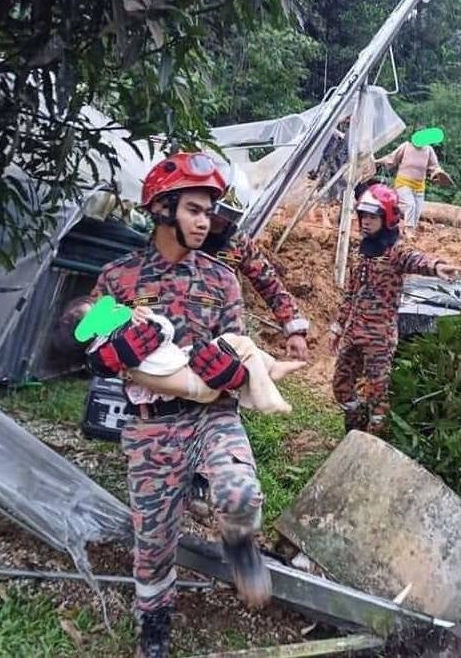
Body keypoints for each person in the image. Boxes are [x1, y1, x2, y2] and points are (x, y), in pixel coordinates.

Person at [71, 152, 273, 657]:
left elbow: (239, 347)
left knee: (241, 494)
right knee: (154, 544)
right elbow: (88, 340)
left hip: (211, 415)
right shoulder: (118, 278)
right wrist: (110, 354)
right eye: (194, 210)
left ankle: (239, 542)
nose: (205, 221)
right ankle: (155, 629)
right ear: (162, 210)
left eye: (209, 211)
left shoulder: (222, 280)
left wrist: (230, 370)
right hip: (150, 426)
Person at [328, 182, 461, 434]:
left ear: (387, 218)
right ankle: (354, 431)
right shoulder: (362, 251)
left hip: (379, 338)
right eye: (363, 216)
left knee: (377, 398)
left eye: (372, 217)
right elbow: (350, 293)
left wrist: (436, 266)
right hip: (353, 333)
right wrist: (337, 327)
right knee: (341, 387)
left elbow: (415, 259)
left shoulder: (395, 252)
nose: (366, 222)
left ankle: (372, 444)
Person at [64, 295, 305, 414]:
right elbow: (165, 331)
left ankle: (272, 368)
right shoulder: (114, 346)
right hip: (195, 382)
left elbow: (163, 335)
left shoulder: (118, 338)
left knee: (235, 343)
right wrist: (146, 318)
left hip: (188, 372)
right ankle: (267, 398)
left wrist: (142, 314)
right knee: (240, 344)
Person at [199, 196, 311, 361]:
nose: (220, 220)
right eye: (218, 213)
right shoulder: (178, 234)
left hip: (223, 333)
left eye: (229, 215)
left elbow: (268, 282)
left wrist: (294, 329)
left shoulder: (237, 242)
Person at [376, 131, 454, 238]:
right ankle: (408, 229)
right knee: (410, 204)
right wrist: (377, 161)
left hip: (419, 186)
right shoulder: (406, 147)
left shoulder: (428, 150)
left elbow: (435, 166)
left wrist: (438, 174)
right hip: (403, 182)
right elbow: (391, 158)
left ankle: (409, 229)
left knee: (417, 210)